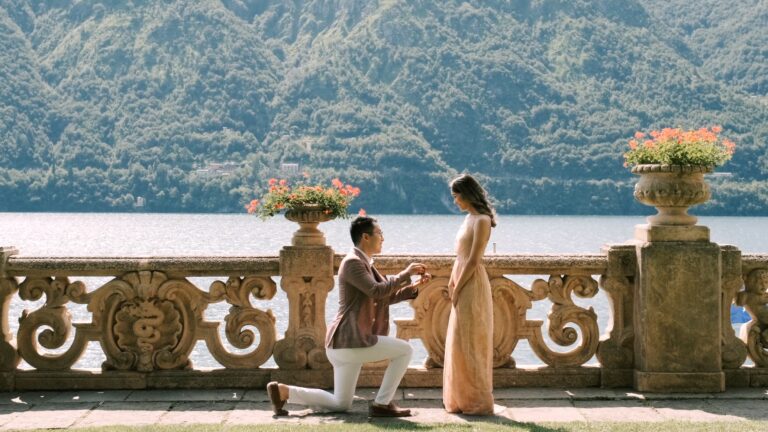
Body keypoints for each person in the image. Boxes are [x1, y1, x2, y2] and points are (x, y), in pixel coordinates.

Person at [267, 216, 431, 417]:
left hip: (344, 346)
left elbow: (383, 298)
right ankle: (382, 404)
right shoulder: (353, 263)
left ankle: (284, 391)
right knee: (405, 350)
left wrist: (413, 287)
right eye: (380, 234)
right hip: (349, 340)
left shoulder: (364, 263)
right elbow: (377, 291)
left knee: (341, 403)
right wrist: (405, 273)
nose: (383, 238)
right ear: (365, 237)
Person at [443, 173, 496, 415]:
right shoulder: (469, 218)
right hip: (461, 280)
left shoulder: (482, 220)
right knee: (460, 342)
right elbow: (461, 257)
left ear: (467, 194)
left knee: (472, 341)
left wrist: (458, 287)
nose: (455, 201)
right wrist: (452, 283)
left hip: (471, 284)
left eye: (456, 196)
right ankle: (460, 398)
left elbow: (474, 260)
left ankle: (477, 401)